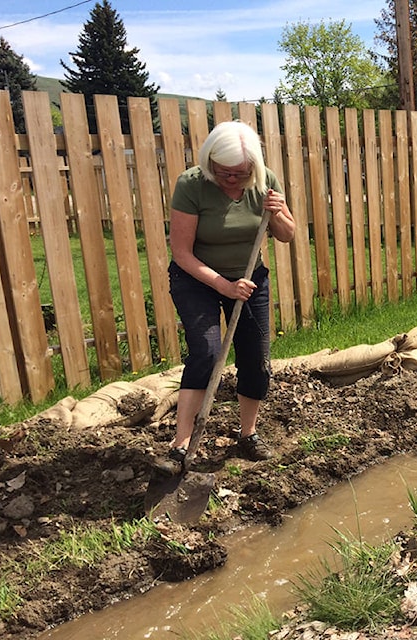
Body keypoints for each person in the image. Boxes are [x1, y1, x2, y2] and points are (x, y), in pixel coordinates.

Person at [154, 121, 296, 475]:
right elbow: (182, 253)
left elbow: (288, 235)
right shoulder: (191, 185)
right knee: (206, 352)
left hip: (250, 279)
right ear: (210, 162)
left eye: (240, 173)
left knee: (256, 358)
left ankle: (248, 434)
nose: (232, 180)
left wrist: (277, 212)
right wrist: (222, 285)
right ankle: (181, 445)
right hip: (197, 279)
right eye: (224, 173)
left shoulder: (264, 180)